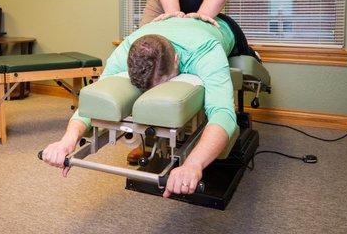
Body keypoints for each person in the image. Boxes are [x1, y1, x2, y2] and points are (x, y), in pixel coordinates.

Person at [41, 16, 238, 198]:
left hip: (222, 27)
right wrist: (67, 141)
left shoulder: (205, 50)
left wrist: (193, 164)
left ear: (177, 59)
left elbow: (223, 113)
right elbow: (93, 102)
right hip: (167, 20)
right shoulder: (126, 49)